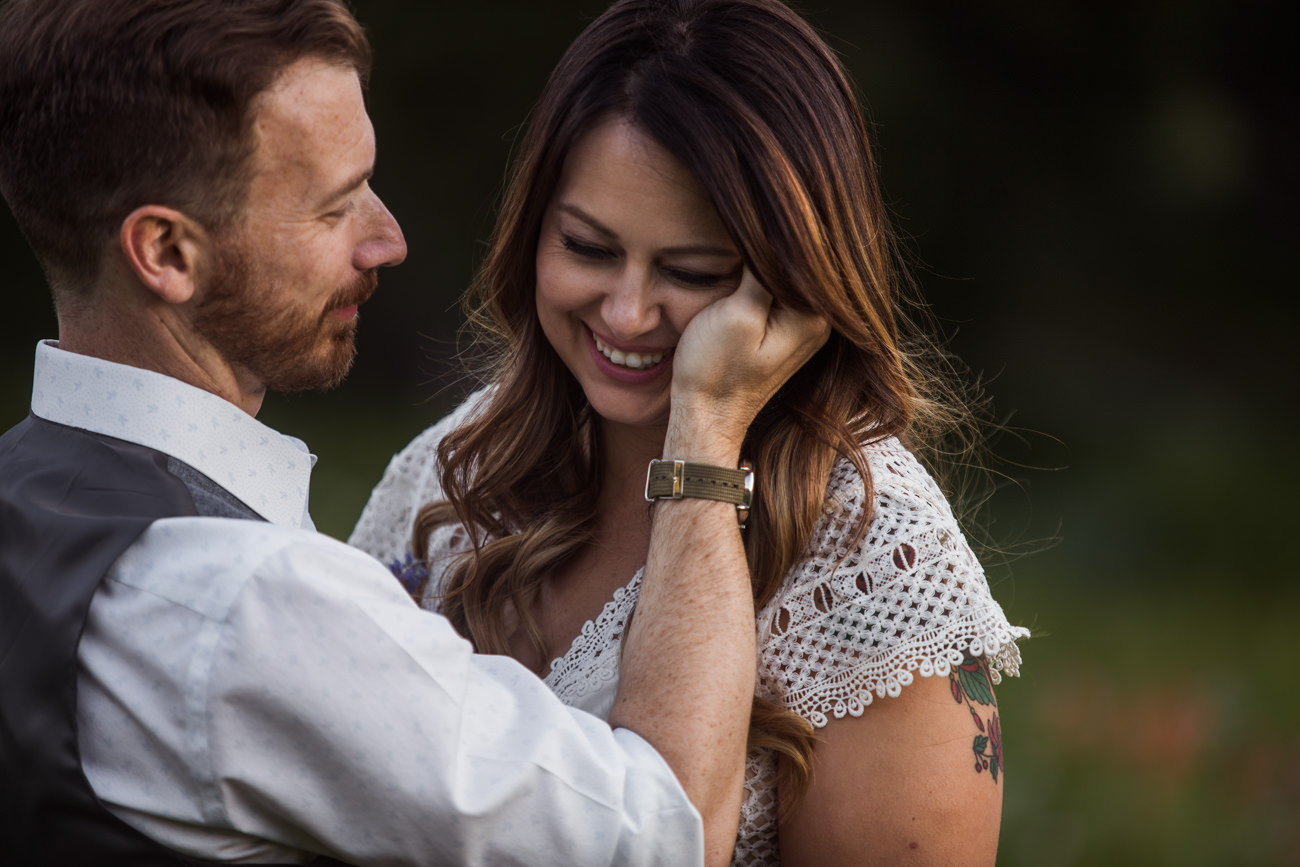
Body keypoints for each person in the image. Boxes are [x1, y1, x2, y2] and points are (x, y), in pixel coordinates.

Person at [0, 0, 829, 864]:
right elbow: (667, 833)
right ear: (167, 253)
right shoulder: (247, 604)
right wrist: (707, 430)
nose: (386, 240)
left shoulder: (21, 497)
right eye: (334, 207)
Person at [350, 0, 1032, 865]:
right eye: (588, 248)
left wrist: (705, 425)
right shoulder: (460, 467)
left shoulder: (873, 553)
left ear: (796, 280)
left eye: (693, 272)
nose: (628, 313)